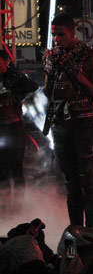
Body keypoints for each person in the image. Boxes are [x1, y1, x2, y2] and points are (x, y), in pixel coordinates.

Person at [43, 13, 93, 228]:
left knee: (88, 181)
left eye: (61, 35)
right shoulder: (51, 57)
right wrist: (53, 73)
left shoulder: (91, 57)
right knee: (70, 182)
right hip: (60, 124)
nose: (56, 39)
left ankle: (92, 233)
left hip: (83, 124)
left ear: (72, 33)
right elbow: (47, 91)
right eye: (53, 35)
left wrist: (76, 75)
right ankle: (77, 231)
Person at [0, 50, 38, 214]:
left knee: (16, 170)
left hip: (14, 128)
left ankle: (17, 209)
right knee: (1, 172)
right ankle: (4, 207)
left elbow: (33, 85)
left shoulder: (14, 77)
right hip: (1, 129)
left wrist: (14, 89)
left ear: (6, 62)